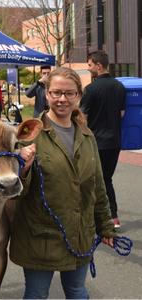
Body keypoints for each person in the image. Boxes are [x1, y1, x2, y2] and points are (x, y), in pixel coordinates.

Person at [9, 67, 117, 300]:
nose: (62, 99)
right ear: (46, 94)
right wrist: (24, 169)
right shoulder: (28, 135)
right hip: (40, 236)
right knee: (37, 294)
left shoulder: (87, 136)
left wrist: (105, 225)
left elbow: (97, 186)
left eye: (69, 94)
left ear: (79, 96)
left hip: (79, 233)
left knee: (77, 292)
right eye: (56, 92)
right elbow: (15, 196)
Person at [80, 50, 126, 229]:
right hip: (115, 141)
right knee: (107, 179)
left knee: (91, 179)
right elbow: (121, 113)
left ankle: (93, 217)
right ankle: (113, 217)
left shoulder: (90, 89)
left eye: (90, 65)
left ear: (98, 66)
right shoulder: (120, 87)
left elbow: (82, 119)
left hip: (96, 142)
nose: (88, 68)